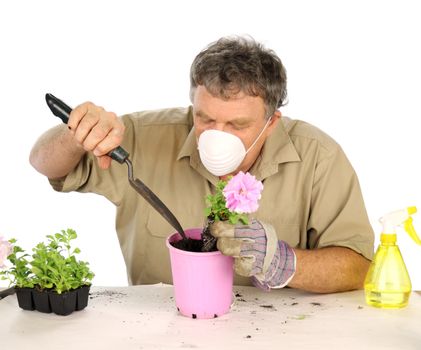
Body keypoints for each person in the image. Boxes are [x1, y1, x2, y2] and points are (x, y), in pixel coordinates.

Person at [30, 36, 374, 293]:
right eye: (205, 118)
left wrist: (286, 262)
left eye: (238, 125)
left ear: (272, 123)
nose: (216, 135)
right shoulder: (144, 137)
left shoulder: (318, 157)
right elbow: (45, 164)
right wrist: (76, 134)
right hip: (158, 329)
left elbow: (359, 266)